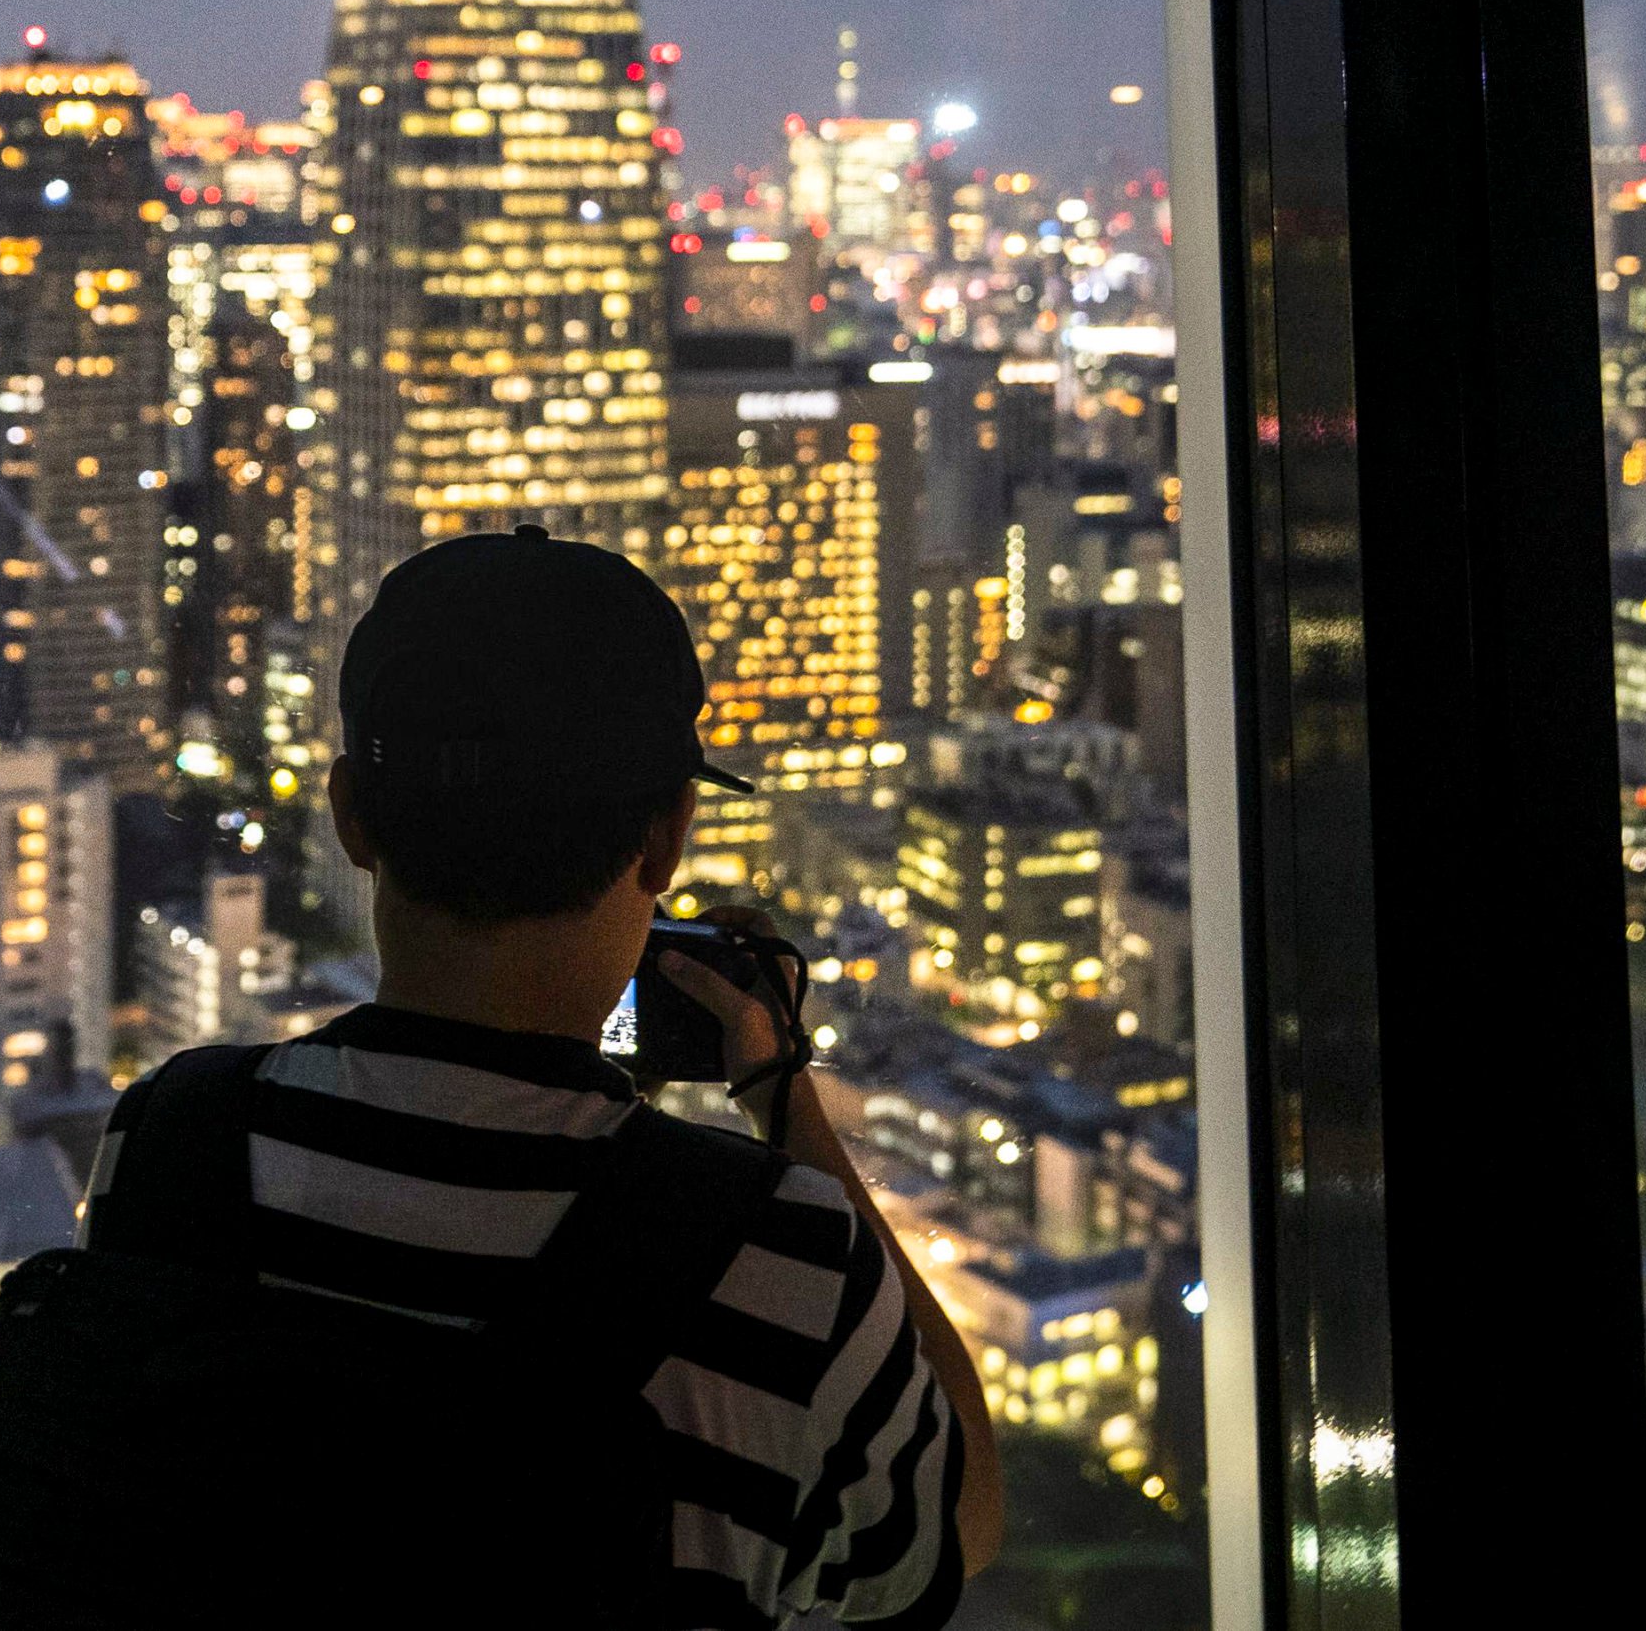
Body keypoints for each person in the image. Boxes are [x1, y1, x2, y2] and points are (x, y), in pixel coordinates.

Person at [58, 523, 1003, 1625]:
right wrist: (782, 1094)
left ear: (352, 819)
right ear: (665, 843)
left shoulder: (171, 1141)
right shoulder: (774, 1255)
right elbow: (952, 1526)